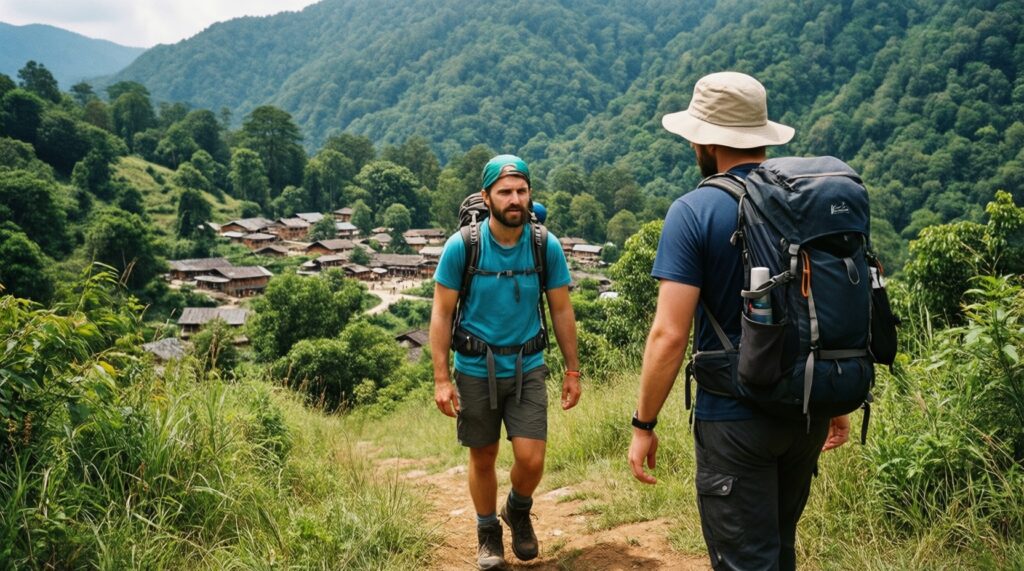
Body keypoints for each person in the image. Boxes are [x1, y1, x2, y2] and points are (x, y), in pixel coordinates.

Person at [627, 72, 851, 570]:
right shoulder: (806, 203)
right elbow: (826, 304)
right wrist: (835, 396)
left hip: (734, 418)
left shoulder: (694, 210)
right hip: (807, 411)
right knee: (779, 547)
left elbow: (669, 334)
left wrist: (644, 424)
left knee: (746, 561)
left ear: (703, 140)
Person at [430, 154, 581, 570]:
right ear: (487, 196)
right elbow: (441, 313)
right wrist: (442, 378)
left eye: (521, 191)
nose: (515, 199)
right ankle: (487, 531)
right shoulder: (464, 246)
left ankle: (516, 509)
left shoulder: (543, 244)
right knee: (483, 456)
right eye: (505, 192)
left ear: (530, 194)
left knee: (532, 459)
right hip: (475, 368)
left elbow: (562, 310)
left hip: (528, 365)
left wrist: (572, 369)